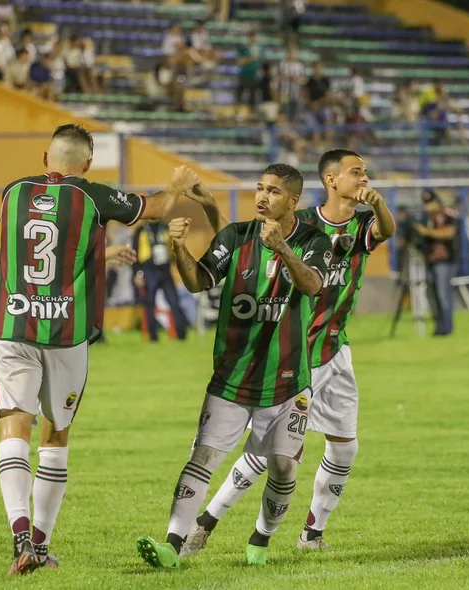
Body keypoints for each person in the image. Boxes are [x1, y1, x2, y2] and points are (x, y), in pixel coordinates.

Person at [0, 124, 202, 575]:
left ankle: (20, 539)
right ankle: (41, 548)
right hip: (65, 334)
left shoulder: (12, 192)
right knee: (55, 435)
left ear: (45, 157)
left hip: (12, 326)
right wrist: (176, 186)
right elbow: (159, 208)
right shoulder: (92, 195)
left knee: (13, 426)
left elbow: (38, 249)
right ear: (86, 165)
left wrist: (98, 257)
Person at [181, 149, 395, 557]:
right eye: (356, 172)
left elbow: (387, 231)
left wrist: (381, 204)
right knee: (271, 455)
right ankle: (204, 523)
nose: (364, 178)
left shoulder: (364, 223)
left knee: (344, 447)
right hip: (298, 355)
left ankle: (311, 533)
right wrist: (210, 207)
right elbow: (242, 242)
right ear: (331, 180)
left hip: (336, 348)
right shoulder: (304, 224)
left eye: (365, 172)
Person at [136, 164, 332, 569]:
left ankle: (261, 537)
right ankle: (173, 544)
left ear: (293, 200)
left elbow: (313, 285)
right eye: (259, 189)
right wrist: (178, 249)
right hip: (231, 379)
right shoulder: (235, 236)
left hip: (287, 381)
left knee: (281, 467)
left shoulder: (314, 240)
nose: (262, 197)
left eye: (274, 192)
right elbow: (198, 282)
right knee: (203, 456)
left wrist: (282, 249)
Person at [132, 220, 189, 342]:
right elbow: (135, 252)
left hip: (165, 270)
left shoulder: (165, 227)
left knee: (174, 302)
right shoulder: (141, 230)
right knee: (150, 304)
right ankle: (153, 337)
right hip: (148, 270)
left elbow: (175, 248)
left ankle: (181, 335)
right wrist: (137, 273)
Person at [416, 191, 456, 336]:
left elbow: (449, 233)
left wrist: (426, 232)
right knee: (432, 296)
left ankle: (447, 327)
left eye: (429, 203)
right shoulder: (426, 218)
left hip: (445, 261)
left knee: (443, 295)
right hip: (430, 260)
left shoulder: (447, 216)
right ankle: (439, 327)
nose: (427, 206)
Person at [235, 31, 262, 118]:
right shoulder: (243, 48)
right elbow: (239, 61)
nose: (253, 38)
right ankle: (237, 113)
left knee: (253, 97)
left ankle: (252, 114)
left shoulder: (260, 48)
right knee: (240, 95)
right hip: (244, 75)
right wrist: (251, 58)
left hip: (255, 76)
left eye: (254, 36)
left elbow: (261, 62)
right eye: (251, 36)